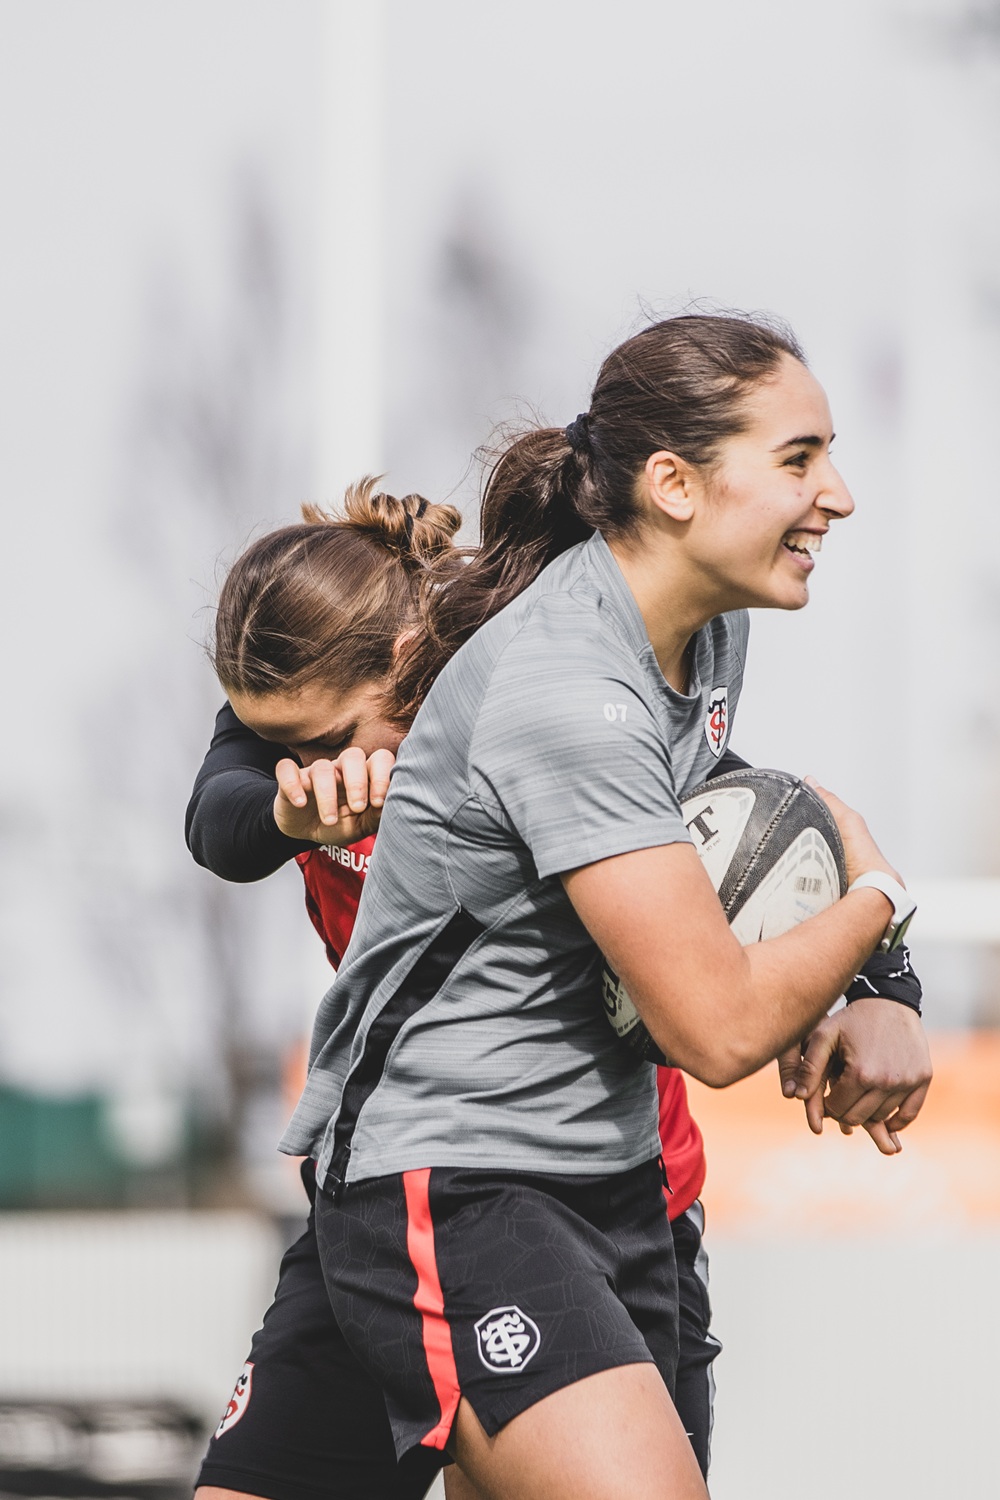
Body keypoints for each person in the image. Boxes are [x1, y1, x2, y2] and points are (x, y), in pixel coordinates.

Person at [275, 313, 931, 1500]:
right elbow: (718, 1028)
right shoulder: (566, 688)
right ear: (673, 485)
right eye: (798, 458)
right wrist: (878, 902)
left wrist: (880, 986)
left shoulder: (699, 631)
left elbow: (775, 815)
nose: (836, 492)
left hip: (609, 1188)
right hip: (456, 1184)